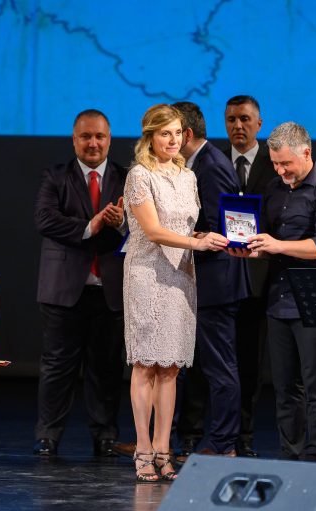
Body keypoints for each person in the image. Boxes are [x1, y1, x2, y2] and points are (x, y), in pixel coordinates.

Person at [229, 122, 316, 461]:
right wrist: (249, 249)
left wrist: (277, 245)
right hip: (278, 298)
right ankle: (290, 455)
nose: (280, 171)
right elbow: (267, 242)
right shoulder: (274, 188)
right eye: (275, 164)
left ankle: (315, 456)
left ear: (306, 153)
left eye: (286, 163)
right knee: (284, 387)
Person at [123, 104, 228, 482]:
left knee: (170, 368)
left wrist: (205, 237)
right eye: (165, 133)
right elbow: (153, 230)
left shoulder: (188, 176)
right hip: (148, 275)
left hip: (181, 275)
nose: (173, 140)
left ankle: (163, 449)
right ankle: (142, 449)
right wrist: (196, 243)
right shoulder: (139, 175)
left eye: (178, 133)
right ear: (150, 136)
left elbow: (184, 228)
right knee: (145, 364)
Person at [33, 109, 127, 458]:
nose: (93, 143)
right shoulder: (55, 175)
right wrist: (91, 226)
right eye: (86, 136)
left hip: (111, 289)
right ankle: (48, 436)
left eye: (99, 136)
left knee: (107, 369)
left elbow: (144, 227)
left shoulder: (128, 177)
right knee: (57, 367)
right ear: (74, 140)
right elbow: (44, 219)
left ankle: (106, 436)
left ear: (109, 139)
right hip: (62, 290)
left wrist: (122, 223)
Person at [171, 101, 248, 457]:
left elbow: (224, 231)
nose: (166, 140)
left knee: (220, 368)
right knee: (198, 368)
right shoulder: (199, 162)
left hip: (216, 284)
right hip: (201, 281)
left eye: (172, 132)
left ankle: (223, 443)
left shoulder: (212, 166)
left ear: (186, 133)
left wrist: (172, 234)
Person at [223, 95, 278, 457]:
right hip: (219, 276)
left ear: (259, 124)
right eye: (231, 119)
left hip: (260, 281)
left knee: (249, 363)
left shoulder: (275, 164)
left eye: (244, 119)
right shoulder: (213, 162)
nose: (238, 126)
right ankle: (196, 435)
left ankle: (244, 435)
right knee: (208, 362)